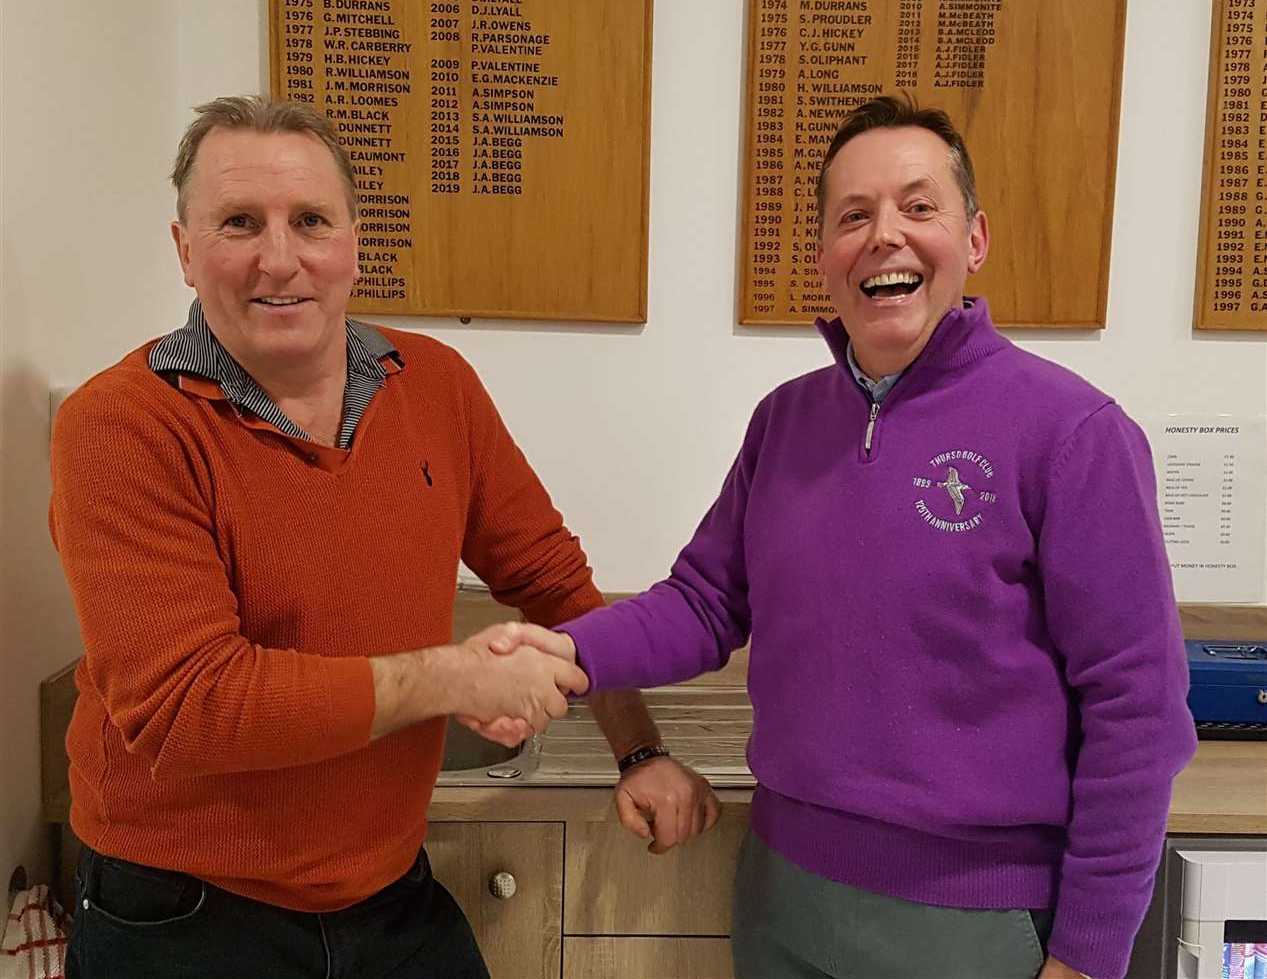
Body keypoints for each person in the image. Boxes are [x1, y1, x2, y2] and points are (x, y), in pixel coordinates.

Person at [486, 95, 1197, 979]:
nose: (884, 235)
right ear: (824, 257)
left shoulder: (1073, 433)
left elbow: (1137, 709)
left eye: (918, 206)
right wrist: (562, 653)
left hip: (973, 920)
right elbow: (706, 602)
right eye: (853, 216)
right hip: (783, 893)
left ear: (973, 239)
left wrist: (1088, 953)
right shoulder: (784, 422)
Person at [48, 95, 718, 979]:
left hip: (389, 893)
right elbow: (190, 707)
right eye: (238, 222)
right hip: (183, 913)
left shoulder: (433, 383)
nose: (278, 258)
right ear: (184, 250)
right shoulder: (122, 425)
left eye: (310, 221)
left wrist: (638, 748)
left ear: (354, 243)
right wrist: (448, 676)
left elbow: (549, 577)